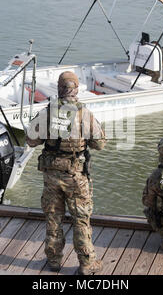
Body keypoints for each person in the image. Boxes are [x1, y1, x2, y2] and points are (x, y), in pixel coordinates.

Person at [26, 71, 106, 275]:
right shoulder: (84, 113)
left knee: (53, 217)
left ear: (59, 89)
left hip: (52, 174)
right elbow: (99, 144)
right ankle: (87, 263)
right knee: (81, 219)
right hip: (76, 176)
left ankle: (53, 260)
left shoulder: (48, 112)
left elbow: (31, 140)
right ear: (76, 89)